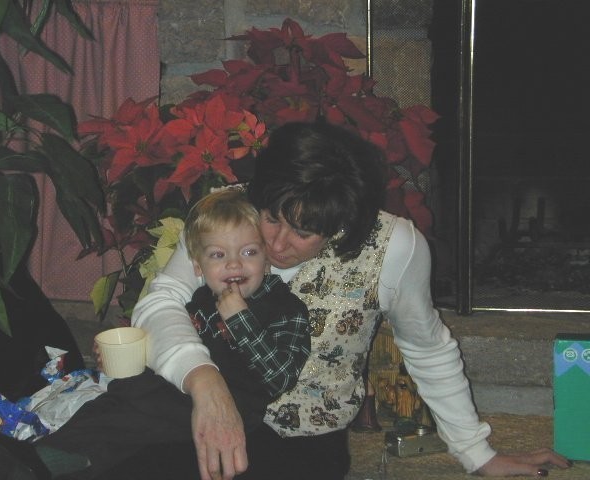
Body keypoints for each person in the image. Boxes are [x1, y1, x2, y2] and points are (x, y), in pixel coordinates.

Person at [126, 122, 572, 479]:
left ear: (340, 221)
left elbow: (426, 347)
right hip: (194, 415)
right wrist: (205, 383)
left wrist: (477, 452)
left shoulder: (394, 246)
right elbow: (159, 302)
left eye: (303, 232)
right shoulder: (224, 214)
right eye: (271, 218)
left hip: (301, 445)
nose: (277, 244)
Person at [0, 189, 310, 480]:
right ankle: (41, 460)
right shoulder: (199, 298)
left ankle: (41, 461)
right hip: (176, 391)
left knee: (137, 413)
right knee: (114, 402)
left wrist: (241, 320)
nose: (234, 264)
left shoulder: (284, 308)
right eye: (219, 255)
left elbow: (278, 376)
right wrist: (129, 352)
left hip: (232, 405)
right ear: (198, 267)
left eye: (249, 252)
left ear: (266, 260)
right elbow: (171, 338)